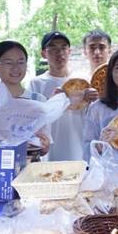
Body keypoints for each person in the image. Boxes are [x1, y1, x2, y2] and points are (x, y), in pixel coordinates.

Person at [0, 41, 50, 154]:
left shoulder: (39, 101)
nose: (15, 68)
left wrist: (44, 146)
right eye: (8, 63)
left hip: (32, 169)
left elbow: (44, 145)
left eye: (21, 62)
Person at [28, 31, 97, 161]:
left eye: (63, 47)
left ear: (69, 51)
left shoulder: (84, 79)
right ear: (43, 53)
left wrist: (92, 99)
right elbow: (31, 119)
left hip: (81, 150)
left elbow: (94, 116)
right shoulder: (36, 84)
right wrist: (52, 102)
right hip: (50, 152)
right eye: (53, 48)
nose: (59, 53)